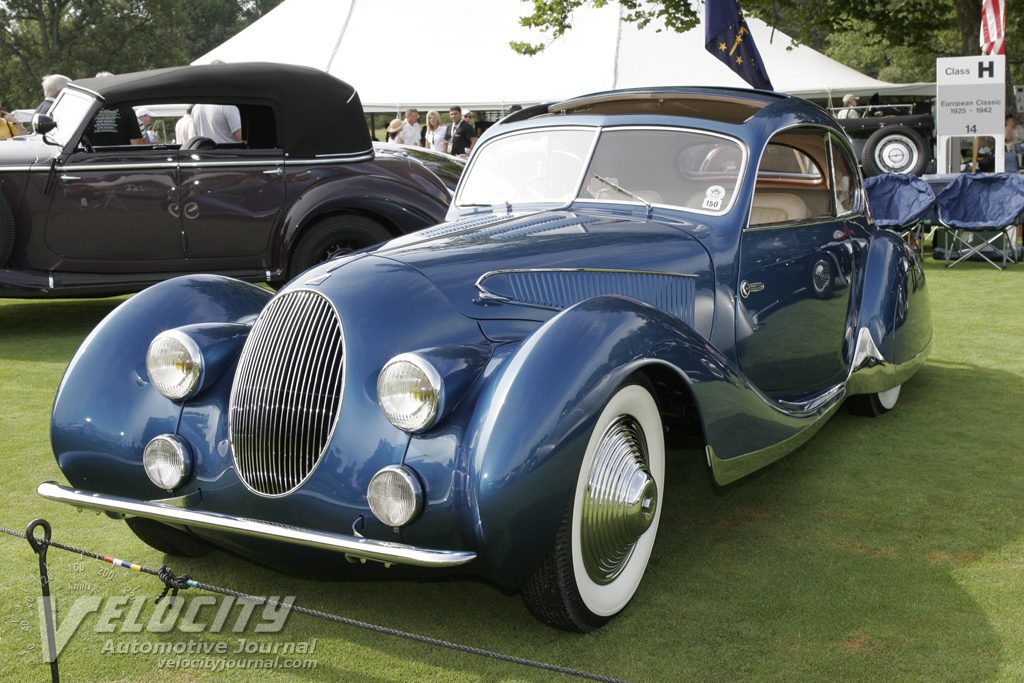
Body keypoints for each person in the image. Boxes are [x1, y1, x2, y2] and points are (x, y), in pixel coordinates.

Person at [83, 72, 144, 146]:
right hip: (119, 156)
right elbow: (136, 144)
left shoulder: (86, 110)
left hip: (90, 157)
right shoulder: (126, 108)